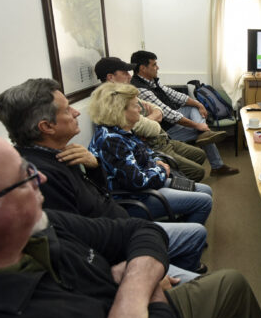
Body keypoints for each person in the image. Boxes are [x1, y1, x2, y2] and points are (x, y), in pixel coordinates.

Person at [0, 128, 261, 318]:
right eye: (23, 178)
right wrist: (150, 288)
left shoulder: (41, 223)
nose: (42, 179)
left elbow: (138, 230)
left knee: (232, 282)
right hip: (157, 315)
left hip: (132, 298)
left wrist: (133, 290)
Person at [0, 79, 207, 278]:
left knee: (197, 230)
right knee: (210, 275)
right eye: (68, 109)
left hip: (124, 227)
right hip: (120, 248)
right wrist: (142, 272)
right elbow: (79, 245)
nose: (77, 112)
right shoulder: (42, 178)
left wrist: (95, 167)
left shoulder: (62, 155)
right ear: (47, 127)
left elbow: (99, 196)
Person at [89, 82, 213, 225]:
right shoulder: (111, 140)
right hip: (136, 198)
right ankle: (185, 238)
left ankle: (184, 225)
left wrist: (156, 164)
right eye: (135, 105)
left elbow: (148, 153)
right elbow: (138, 182)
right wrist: (160, 169)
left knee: (206, 190)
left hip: (150, 183)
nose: (140, 110)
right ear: (119, 110)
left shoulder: (122, 130)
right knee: (204, 201)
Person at [95, 56, 207, 182]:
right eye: (125, 73)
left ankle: (181, 180)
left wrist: (151, 116)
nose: (129, 76)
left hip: (163, 140)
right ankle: (181, 186)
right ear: (111, 77)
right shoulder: (110, 103)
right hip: (153, 148)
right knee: (198, 172)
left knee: (200, 155)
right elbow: (153, 128)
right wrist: (154, 116)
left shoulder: (126, 94)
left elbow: (158, 109)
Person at [130, 50, 239, 176]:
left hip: (173, 118)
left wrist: (199, 104)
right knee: (203, 131)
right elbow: (167, 114)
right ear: (143, 68)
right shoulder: (140, 89)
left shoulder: (152, 81)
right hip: (166, 129)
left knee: (194, 109)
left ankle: (205, 134)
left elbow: (175, 95)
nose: (157, 67)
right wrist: (197, 126)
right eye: (154, 65)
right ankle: (217, 165)